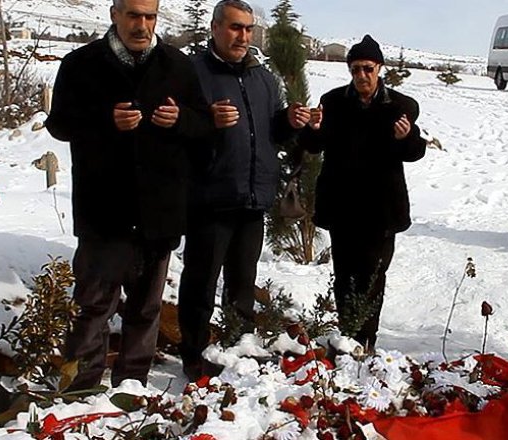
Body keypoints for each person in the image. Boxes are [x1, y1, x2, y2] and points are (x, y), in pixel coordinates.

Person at [45, 0, 212, 390]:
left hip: (159, 210)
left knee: (146, 308)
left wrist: (182, 120)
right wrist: (105, 120)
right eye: (133, 15)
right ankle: (82, 387)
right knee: (93, 307)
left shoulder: (178, 65)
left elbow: (204, 124)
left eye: (150, 16)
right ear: (114, 14)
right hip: (105, 209)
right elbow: (59, 124)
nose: (142, 25)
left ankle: (131, 385)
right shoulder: (81, 64)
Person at [178, 0, 311, 381]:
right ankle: (194, 354)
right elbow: (177, 129)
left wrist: (289, 121)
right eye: (236, 27)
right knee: (200, 283)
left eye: (249, 29)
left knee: (242, 283)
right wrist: (206, 120)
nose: (243, 36)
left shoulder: (263, 78)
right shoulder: (193, 74)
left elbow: (274, 135)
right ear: (216, 28)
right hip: (210, 197)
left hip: (254, 199)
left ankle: (239, 347)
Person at [298, 35, 426, 349]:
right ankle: (346, 338)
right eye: (355, 69)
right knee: (344, 276)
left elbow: (416, 151)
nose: (362, 75)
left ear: (379, 68)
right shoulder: (333, 102)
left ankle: (365, 341)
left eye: (368, 68)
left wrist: (406, 138)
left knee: (372, 278)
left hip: (381, 209)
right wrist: (312, 129)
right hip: (342, 206)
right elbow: (314, 146)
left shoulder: (401, 106)